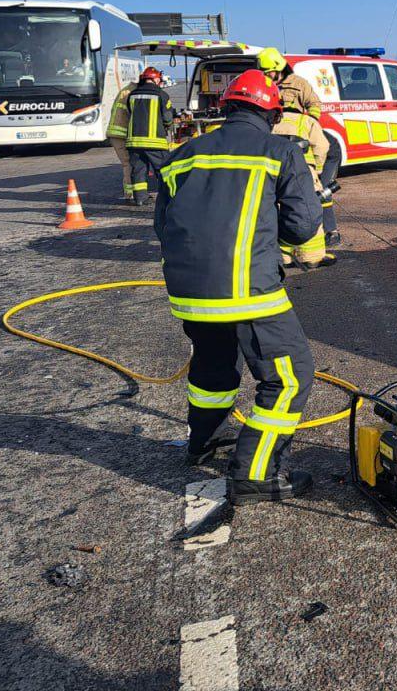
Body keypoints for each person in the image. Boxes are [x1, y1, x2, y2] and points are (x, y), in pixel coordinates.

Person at [154, 69, 323, 503]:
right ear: (271, 112)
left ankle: (203, 440)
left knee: (212, 368)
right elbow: (304, 227)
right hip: (250, 290)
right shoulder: (279, 152)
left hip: (188, 293)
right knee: (290, 377)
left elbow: (162, 226)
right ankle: (254, 471)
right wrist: (273, 244)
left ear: (226, 109)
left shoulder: (182, 155)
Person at [257, 47, 338, 242]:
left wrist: (309, 126)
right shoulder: (266, 86)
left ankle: (330, 231)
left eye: (269, 73)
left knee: (319, 188)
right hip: (277, 139)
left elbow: (314, 105)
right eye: (264, 73)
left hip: (301, 140)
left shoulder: (299, 84)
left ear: (279, 68)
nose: (268, 77)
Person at [273, 99, 332, 269]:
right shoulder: (306, 121)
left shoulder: (271, 121)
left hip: (276, 173)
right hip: (304, 174)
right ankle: (312, 257)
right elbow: (322, 146)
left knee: (280, 213)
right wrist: (318, 169)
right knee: (309, 211)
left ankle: (285, 258)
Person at [125, 67, 174, 204]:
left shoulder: (132, 94)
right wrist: (169, 126)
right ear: (156, 79)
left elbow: (130, 112)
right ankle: (169, 197)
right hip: (155, 142)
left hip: (134, 141)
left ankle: (140, 198)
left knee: (138, 170)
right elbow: (168, 117)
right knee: (164, 169)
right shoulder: (162, 95)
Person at [106, 78, 137, 201]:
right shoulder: (132, 92)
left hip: (118, 132)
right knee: (128, 163)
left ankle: (132, 192)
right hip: (120, 133)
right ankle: (129, 194)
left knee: (129, 163)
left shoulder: (127, 90)